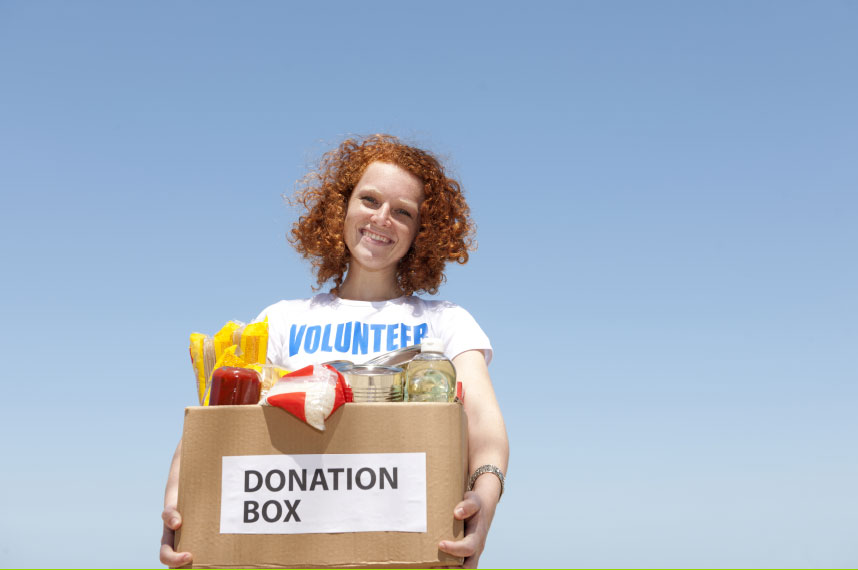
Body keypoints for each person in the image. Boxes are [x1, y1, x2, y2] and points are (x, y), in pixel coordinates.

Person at [160, 134, 509, 568]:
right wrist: (180, 507)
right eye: (369, 200)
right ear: (340, 207)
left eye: (403, 212)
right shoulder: (282, 320)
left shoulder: (446, 322)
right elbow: (216, 422)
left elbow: (485, 428)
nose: (382, 218)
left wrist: (485, 497)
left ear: (422, 231)